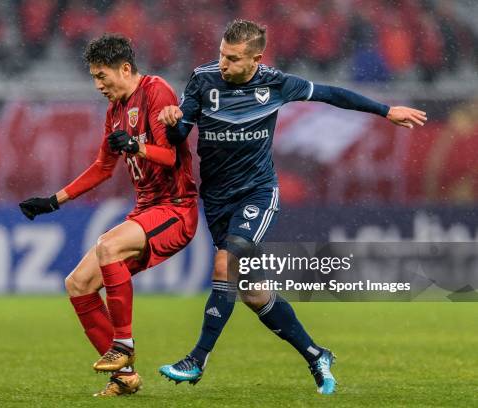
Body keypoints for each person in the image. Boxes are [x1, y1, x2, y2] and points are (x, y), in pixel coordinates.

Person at [157, 19, 427, 395]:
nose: (224, 64)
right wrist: (171, 119)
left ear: (256, 59)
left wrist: (384, 110)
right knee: (252, 292)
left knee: (225, 263)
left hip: (257, 193)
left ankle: (196, 360)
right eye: (222, 54)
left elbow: (331, 94)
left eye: (233, 59)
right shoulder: (203, 79)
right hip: (216, 199)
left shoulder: (276, 83)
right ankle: (317, 354)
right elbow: (177, 137)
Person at [19, 34, 198, 397]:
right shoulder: (115, 110)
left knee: (107, 246)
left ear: (126, 69)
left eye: (102, 76)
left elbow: (172, 157)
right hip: (146, 209)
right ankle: (125, 377)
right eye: (94, 78)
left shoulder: (156, 91)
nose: (98, 85)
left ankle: (124, 345)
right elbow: (102, 168)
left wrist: (136, 145)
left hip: (175, 208)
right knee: (78, 284)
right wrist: (53, 201)